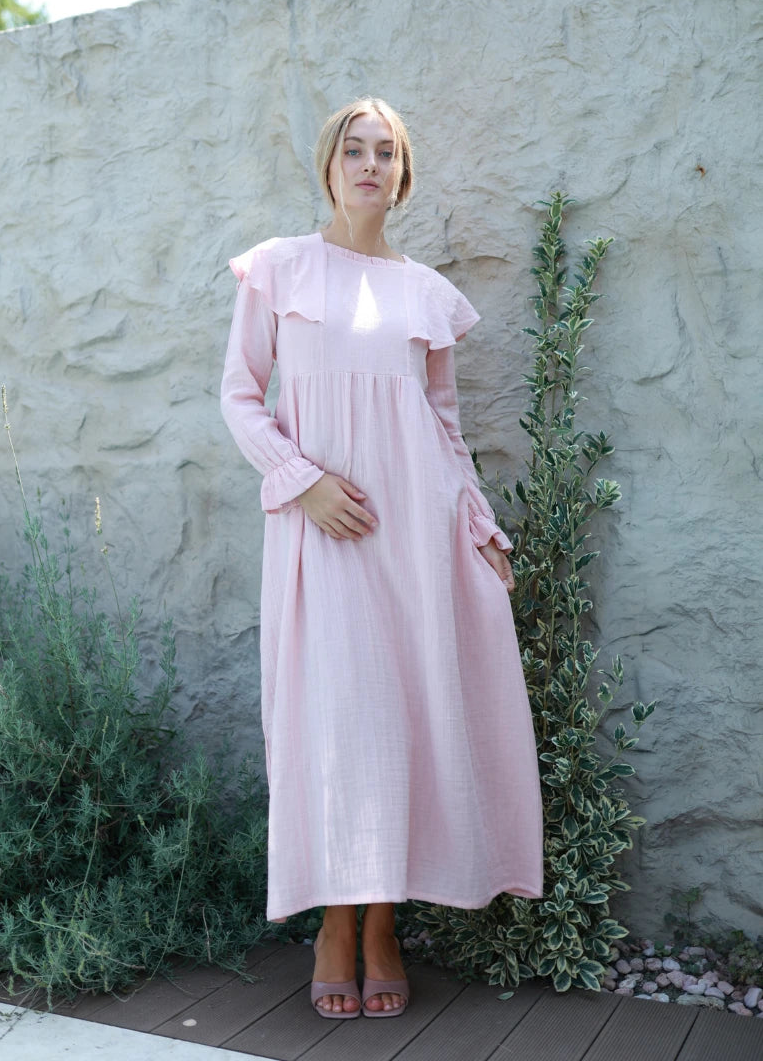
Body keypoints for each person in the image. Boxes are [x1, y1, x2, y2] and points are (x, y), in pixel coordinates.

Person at [220, 97, 543, 1020]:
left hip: (416, 534)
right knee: (336, 719)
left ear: (403, 176)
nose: (370, 164)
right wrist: (302, 482)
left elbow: (443, 425)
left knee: (405, 716)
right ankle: (333, 925)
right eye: (355, 150)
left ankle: (383, 929)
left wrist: (478, 526)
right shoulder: (278, 267)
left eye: (386, 152)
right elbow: (240, 396)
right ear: (328, 165)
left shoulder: (425, 292)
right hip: (322, 529)